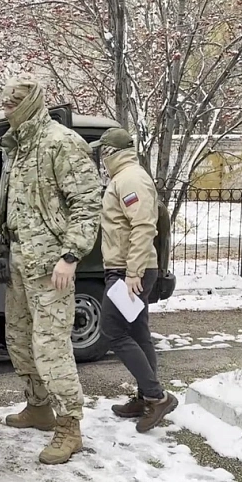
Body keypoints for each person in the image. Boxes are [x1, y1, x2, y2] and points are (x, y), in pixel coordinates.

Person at [0, 74, 102, 465]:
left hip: (50, 267)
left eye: (11, 105)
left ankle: (69, 427)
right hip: (18, 264)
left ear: (29, 105)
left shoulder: (60, 143)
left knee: (51, 348)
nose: (5, 111)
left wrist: (70, 256)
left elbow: (87, 202)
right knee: (18, 340)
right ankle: (39, 407)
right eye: (4, 104)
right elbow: (17, 200)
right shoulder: (15, 148)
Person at [93, 128, 178, 432]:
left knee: (113, 331)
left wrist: (133, 272)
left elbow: (144, 226)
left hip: (130, 270)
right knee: (139, 332)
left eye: (103, 152)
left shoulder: (130, 178)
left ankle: (157, 397)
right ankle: (146, 397)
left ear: (111, 153)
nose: (101, 159)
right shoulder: (123, 177)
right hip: (127, 267)